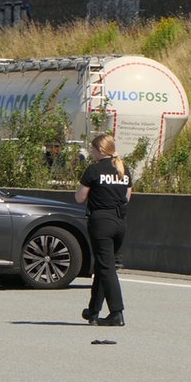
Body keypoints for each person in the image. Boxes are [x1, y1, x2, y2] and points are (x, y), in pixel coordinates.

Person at [76, 134, 131, 327]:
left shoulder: (94, 169)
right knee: (102, 265)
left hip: (101, 222)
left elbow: (80, 198)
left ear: (100, 150)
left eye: (92, 149)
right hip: (119, 222)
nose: (91, 152)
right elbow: (127, 197)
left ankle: (117, 312)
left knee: (106, 268)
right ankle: (93, 311)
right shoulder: (123, 170)